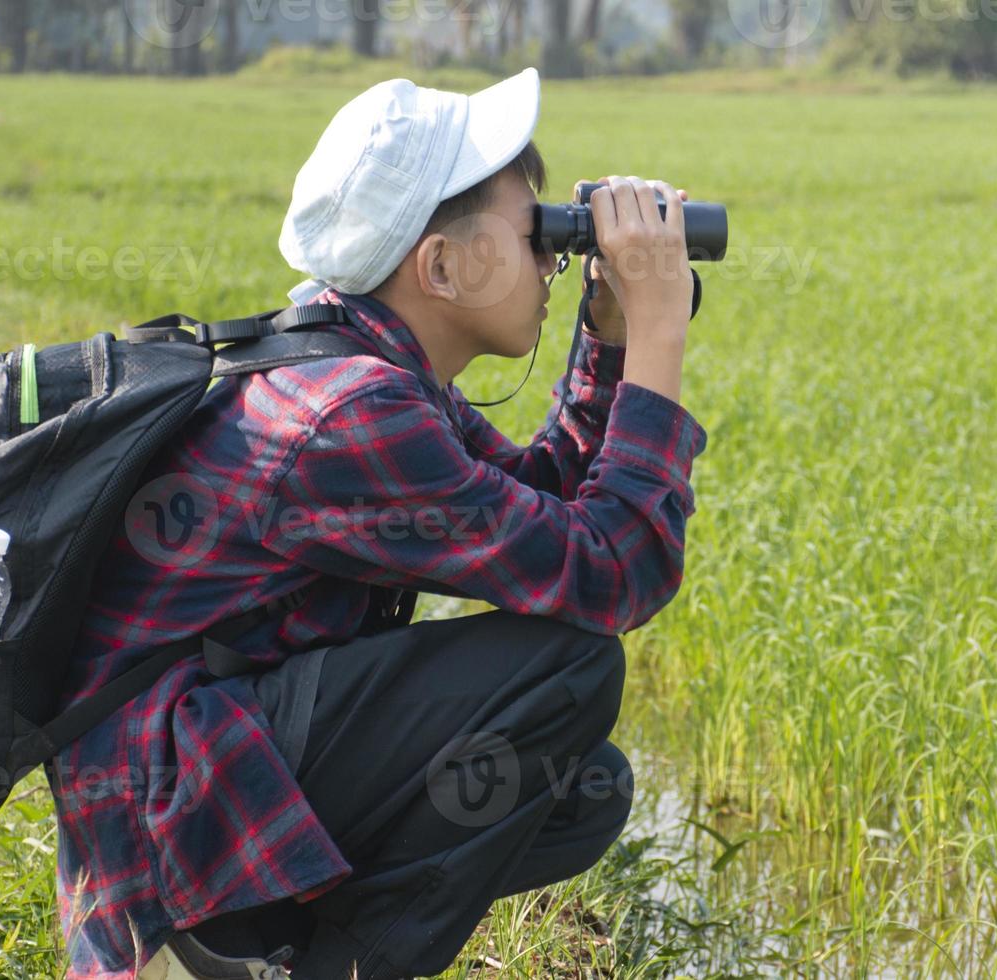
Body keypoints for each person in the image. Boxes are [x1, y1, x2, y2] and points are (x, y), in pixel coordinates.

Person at [43, 68, 708, 979]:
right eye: (535, 233)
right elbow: (612, 576)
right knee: (571, 666)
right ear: (437, 266)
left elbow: (546, 505)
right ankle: (270, 961)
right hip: (168, 824)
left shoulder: (366, 370)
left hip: (194, 780)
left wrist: (610, 333)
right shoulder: (346, 412)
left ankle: (266, 949)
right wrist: (662, 333)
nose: (555, 259)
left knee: (577, 792)